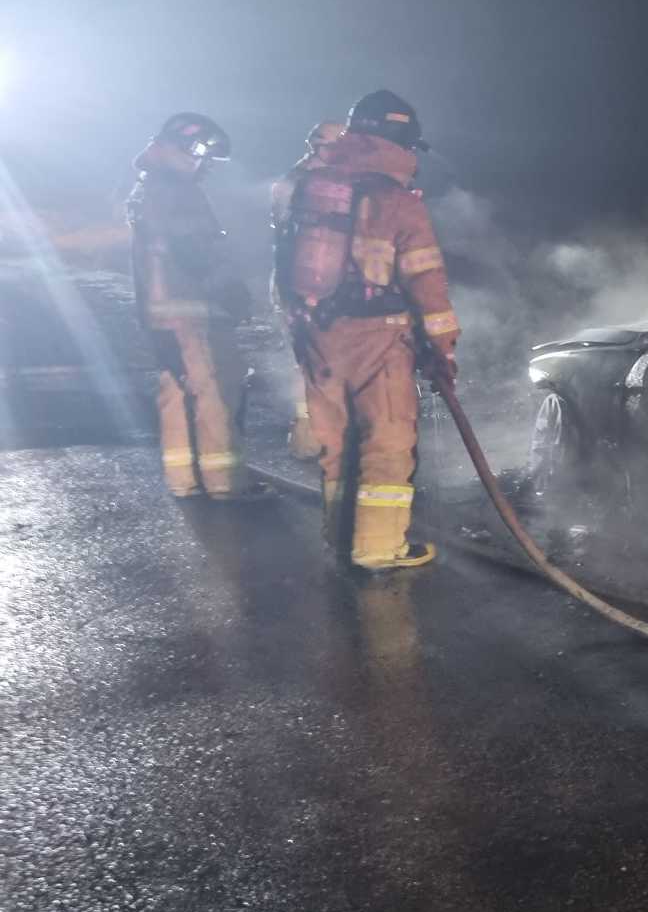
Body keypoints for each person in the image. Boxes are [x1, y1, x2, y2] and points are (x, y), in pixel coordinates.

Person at [276, 90, 459, 569]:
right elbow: (427, 282)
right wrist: (443, 348)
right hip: (379, 337)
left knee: (336, 441)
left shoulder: (309, 186)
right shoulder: (397, 200)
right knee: (387, 441)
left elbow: (283, 262)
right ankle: (378, 548)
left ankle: (339, 536)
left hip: (319, 332)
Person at [127, 112, 262, 499]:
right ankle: (226, 483)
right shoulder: (179, 192)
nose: (204, 165)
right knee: (216, 392)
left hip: (161, 312)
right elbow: (199, 252)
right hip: (194, 311)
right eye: (201, 156)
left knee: (176, 392)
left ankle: (184, 479)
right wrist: (233, 293)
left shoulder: (148, 187)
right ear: (186, 148)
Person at [270, 120, 346, 458]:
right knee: (316, 357)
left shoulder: (295, 179)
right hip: (311, 284)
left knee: (310, 357)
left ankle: (311, 437)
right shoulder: (311, 183)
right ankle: (314, 438)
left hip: (300, 282)